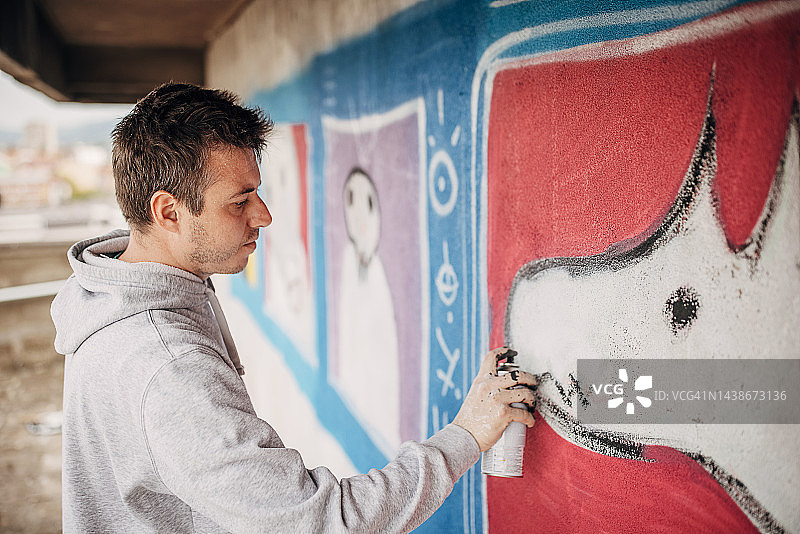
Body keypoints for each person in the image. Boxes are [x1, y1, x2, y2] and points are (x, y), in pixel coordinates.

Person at [50, 82, 536, 534]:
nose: (263, 215)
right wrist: (467, 435)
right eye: (240, 201)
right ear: (169, 212)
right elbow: (326, 523)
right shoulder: (169, 367)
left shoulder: (107, 295)